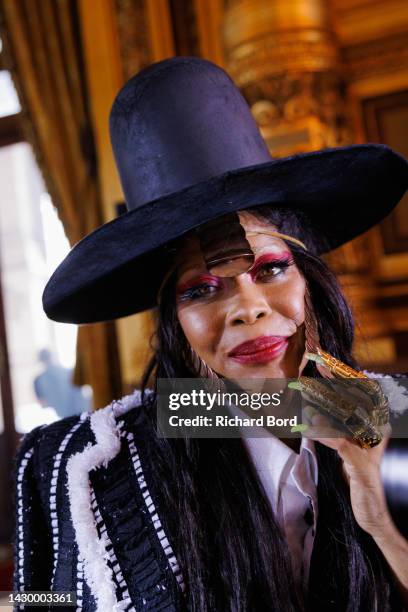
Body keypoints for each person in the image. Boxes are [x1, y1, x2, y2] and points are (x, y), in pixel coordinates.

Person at [13, 57, 408, 611]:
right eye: (199, 290)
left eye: (270, 270)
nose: (247, 309)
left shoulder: (397, 418)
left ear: (310, 278)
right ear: (172, 317)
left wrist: (382, 516)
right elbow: (38, 602)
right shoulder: (81, 465)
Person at [33, 349, 89, 418]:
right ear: (53, 357)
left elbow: (43, 404)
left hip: (65, 418)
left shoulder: (38, 381)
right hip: (84, 413)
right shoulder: (70, 372)